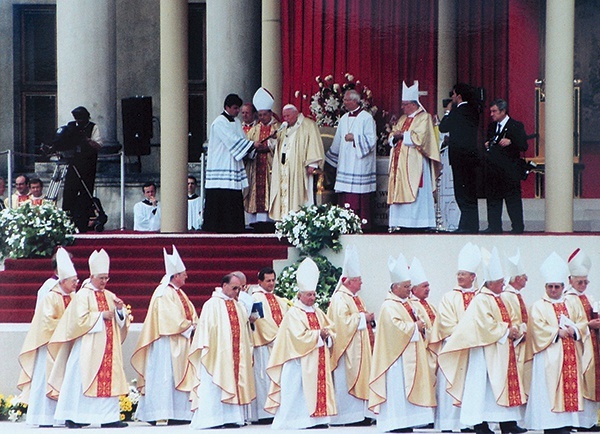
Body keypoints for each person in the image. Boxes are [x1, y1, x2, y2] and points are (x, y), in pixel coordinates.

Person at [438, 247, 527, 434]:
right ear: (491, 282)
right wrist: (506, 330)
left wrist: (516, 330)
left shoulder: (501, 298)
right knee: (482, 388)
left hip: (502, 350)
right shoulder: (481, 300)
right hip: (484, 353)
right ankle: (480, 424)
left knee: (503, 383)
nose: (504, 285)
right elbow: (484, 324)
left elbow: (512, 318)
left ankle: (507, 422)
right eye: (501, 282)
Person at [48, 248, 129, 428]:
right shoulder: (82, 295)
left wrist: (120, 311)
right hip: (87, 347)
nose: (104, 282)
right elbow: (77, 321)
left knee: (109, 378)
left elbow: (122, 321)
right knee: (80, 379)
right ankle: (74, 416)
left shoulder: (109, 295)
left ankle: (109, 418)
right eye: (101, 278)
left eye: (106, 278)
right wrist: (100, 316)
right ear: (92, 276)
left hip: (108, 346)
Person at [524, 252, 593, 434]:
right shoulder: (539, 305)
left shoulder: (572, 303)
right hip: (549, 356)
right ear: (545, 287)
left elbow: (582, 322)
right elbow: (536, 328)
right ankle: (550, 423)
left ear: (563, 287)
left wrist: (575, 330)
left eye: (556, 286)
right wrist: (557, 332)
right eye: (550, 286)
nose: (553, 290)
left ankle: (566, 423)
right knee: (548, 390)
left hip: (570, 354)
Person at [265, 257, 337, 429]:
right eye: (309, 295)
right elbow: (298, 338)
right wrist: (319, 334)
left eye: (313, 294)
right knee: (298, 392)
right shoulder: (294, 314)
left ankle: (319, 419)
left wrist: (328, 336)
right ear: (300, 295)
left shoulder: (318, 311)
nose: (312, 297)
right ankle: (298, 421)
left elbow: (330, 328)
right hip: (299, 362)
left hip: (317, 359)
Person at [369, 253, 436, 432]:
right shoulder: (388, 306)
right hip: (395, 359)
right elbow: (395, 329)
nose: (409, 290)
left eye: (409, 286)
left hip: (410, 352)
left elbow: (418, 322)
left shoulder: (408, 304)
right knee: (397, 390)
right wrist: (416, 327)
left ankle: (407, 421)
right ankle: (396, 423)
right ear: (395, 287)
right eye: (406, 286)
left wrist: (421, 327)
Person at [131, 245, 197, 425]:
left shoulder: (178, 292)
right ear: (175, 276)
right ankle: (158, 413)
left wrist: (195, 325)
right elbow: (172, 321)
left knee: (174, 378)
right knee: (164, 378)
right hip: (166, 344)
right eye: (183, 274)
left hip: (179, 342)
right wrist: (191, 327)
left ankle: (179, 413)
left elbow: (190, 313)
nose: (186, 277)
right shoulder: (163, 293)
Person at [17, 247, 78, 427]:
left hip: (65, 342)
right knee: (46, 377)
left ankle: (63, 416)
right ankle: (43, 417)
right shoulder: (49, 290)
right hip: (48, 341)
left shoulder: (72, 293)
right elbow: (44, 319)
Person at [189, 272, 255, 429]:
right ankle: (212, 419)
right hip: (217, 354)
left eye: (239, 289)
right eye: (234, 288)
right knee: (214, 385)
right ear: (224, 286)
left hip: (234, 353)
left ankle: (232, 417)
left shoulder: (238, 305)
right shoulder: (212, 304)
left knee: (233, 380)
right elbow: (206, 330)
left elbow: (244, 328)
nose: (237, 292)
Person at [430, 242, 482, 431]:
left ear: (473, 277)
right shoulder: (448, 297)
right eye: (458, 273)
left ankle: (469, 422)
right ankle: (449, 423)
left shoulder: (480, 297)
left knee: (472, 386)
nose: (460, 277)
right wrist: (467, 334)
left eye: (463, 274)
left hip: (473, 350)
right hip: (453, 349)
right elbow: (445, 323)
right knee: (450, 385)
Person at [327, 245, 375, 426]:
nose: (361, 283)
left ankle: (362, 415)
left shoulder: (356, 297)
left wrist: (367, 318)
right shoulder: (340, 298)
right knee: (346, 381)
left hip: (360, 348)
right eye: (359, 280)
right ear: (348, 281)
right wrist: (363, 317)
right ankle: (349, 417)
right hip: (348, 350)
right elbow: (341, 323)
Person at [387, 81, 442, 232]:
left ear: (413, 104)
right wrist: (396, 136)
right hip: (400, 163)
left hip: (415, 163)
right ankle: (401, 222)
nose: (402, 107)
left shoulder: (424, 117)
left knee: (416, 191)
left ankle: (418, 223)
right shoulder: (403, 119)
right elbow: (392, 134)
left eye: (404, 104)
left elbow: (421, 139)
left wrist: (402, 135)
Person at [202, 93, 261, 233]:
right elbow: (232, 141)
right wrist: (252, 145)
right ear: (227, 107)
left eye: (238, 108)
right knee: (221, 196)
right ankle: (215, 227)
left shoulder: (235, 122)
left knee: (233, 196)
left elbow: (241, 138)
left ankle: (233, 226)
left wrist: (251, 148)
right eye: (235, 108)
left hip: (231, 164)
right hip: (220, 165)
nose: (237, 111)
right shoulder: (219, 123)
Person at [325, 89, 377, 229]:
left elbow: (372, 140)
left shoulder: (366, 118)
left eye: (347, 100)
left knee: (359, 198)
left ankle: (362, 225)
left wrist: (355, 138)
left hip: (360, 163)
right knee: (345, 196)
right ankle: (345, 225)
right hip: (345, 163)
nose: (344, 103)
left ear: (355, 101)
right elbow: (337, 141)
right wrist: (329, 161)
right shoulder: (343, 118)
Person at [269, 104, 324, 221]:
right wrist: (274, 138)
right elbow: (276, 147)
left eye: (288, 116)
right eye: (284, 116)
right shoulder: (283, 128)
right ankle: (284, 219)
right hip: (284, 169)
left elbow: (314, 143)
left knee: (299, 195)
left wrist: (312, 164)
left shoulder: (308, 125)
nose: (286, 119)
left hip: (300, 169)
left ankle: (299, 220)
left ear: (296, 114)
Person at [564, 248, 600, 428]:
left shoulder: (589, 297)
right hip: (577, 347)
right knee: (580, 382)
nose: (583, 285)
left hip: (592, 345)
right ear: (571, 281)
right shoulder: (567, 300)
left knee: (593, 381)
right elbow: (568, 325)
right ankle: (578, 422)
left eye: (586, 282)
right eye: (580, 282)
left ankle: (591, 421)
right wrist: (589, 326)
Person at [249, 266, 289, 424]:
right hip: (266, 344)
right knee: (264, 378)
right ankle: (264, 413)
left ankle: (277, 409)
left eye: (273, 280)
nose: (272, 283)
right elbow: (261, 322)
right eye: (268, 281)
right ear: (259, 281)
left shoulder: (278, 299)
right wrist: (279, 337)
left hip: (280, 344)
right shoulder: (255, 298)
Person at [438, 83, 480, 233]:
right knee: (469, 193)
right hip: (469, 157)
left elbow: (444, 127)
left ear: (459, 96)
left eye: (453, 95)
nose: (452, 97)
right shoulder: (473, 110)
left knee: (462, 194)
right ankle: (471, 224)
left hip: (460, 158)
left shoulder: (459, 111)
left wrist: (448, 111)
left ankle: (466, 226)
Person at [482, 99, 528, 234]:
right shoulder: (492, 127)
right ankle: (494, 226)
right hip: (493, 170)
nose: (492, 114)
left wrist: (511, 142)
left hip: (509, 170)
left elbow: (524, 145)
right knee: (493, 200)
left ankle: (517, 227)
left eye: (494, 111)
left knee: (512, 200)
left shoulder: (516, 126)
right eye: (491, 111)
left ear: (503, 111)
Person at [57, 106, 103, 232]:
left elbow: (98, 145)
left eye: (81, 118)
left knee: (85, 193)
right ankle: (67, 222)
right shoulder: (72, 126)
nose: (79, 121)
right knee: (69, 191)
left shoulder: (93, 127)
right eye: (77, 118)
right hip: (73, 162)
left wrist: (85, 139)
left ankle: (82, 224)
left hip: (88, 164)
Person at [244, 87, 280, 231]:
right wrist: (253, 148)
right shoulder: (254, 130)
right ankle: (256, 222)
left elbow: (282, 145)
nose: (262, 118)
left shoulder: (278, 128)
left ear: (270, 113)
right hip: (256, 165)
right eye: (259, 115)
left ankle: (270, 220)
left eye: (264, 114)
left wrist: (269, 148)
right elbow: (247, 146)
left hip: (271, 167)